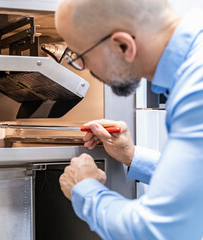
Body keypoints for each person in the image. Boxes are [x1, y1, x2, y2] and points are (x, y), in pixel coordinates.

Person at [55, 0, 203, 239]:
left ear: (123, 45)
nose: (82, 67)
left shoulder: (196, 89)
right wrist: (132, 156)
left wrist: (84, 189)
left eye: (81, 56)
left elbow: (157, 230)